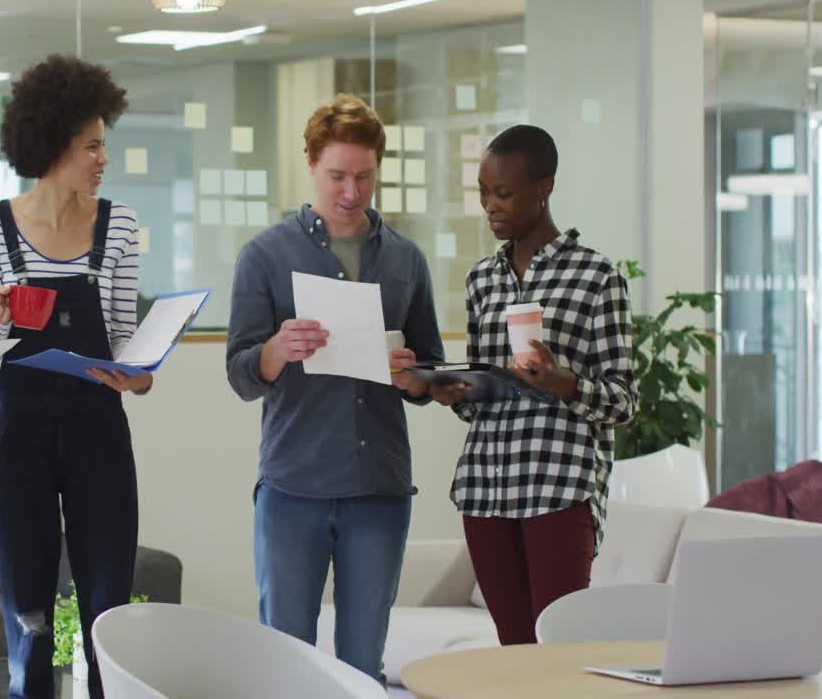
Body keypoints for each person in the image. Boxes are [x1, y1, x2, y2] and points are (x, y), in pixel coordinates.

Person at [225, 93, 445, 685]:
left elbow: (430, 371)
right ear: (311, 165)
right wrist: (276, 350)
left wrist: (412, 377)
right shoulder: (264, 256)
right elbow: (240, 374)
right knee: (287, 663)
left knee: (362, 668)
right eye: (337, 176)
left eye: (364, 176)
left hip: (379, 488)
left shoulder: (406, 260)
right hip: (292, 487)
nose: (352, 191)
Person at [0, 54, 146, 699]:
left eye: (103, 144)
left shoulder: (118, 226)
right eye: (92, 145)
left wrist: (139, 376)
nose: (103, 158)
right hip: (17, 440)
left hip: (99, 434)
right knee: (30, 618)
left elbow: (124, 342)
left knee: (107, 607)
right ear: (54, 142)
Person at [431, 124, 637, 645]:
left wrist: (566, 383)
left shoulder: (598, 277)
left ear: (544, 187)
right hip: (486, 491)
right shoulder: (482, 280)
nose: (490, 206)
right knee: (513, 651)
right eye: (483, 192)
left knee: (557, 651)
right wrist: (455, 393)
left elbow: (624, 401)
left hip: (558, 488)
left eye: (503, 193)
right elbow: (482, 394)